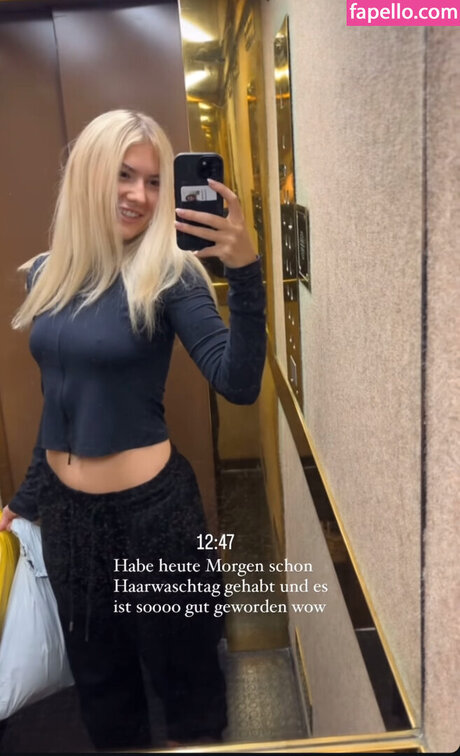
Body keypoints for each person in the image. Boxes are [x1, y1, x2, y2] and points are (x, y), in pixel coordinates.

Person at [0, 110, 266, 749]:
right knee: (101, 685)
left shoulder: (171, 273)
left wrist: (246, 272)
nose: (140, 196)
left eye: (152, 181)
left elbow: (237, 383)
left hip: (157, 518)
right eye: (124, 175)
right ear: (88, 176)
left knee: (188, 681)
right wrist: (26, 500)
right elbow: (59, 403)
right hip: (68, 519)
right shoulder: (47, 272)